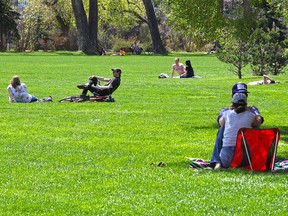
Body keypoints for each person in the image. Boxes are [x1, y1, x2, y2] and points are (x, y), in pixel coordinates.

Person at [210, 82, 264, 168]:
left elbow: (259, 120)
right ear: (232, 95)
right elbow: (220, 123)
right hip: (242, 153)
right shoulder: (225, 111)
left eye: (243, 94)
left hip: (240, 147)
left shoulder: (251, 110)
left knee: (255, 127)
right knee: (222, 129)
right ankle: (217, 161)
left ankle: (220, 162)